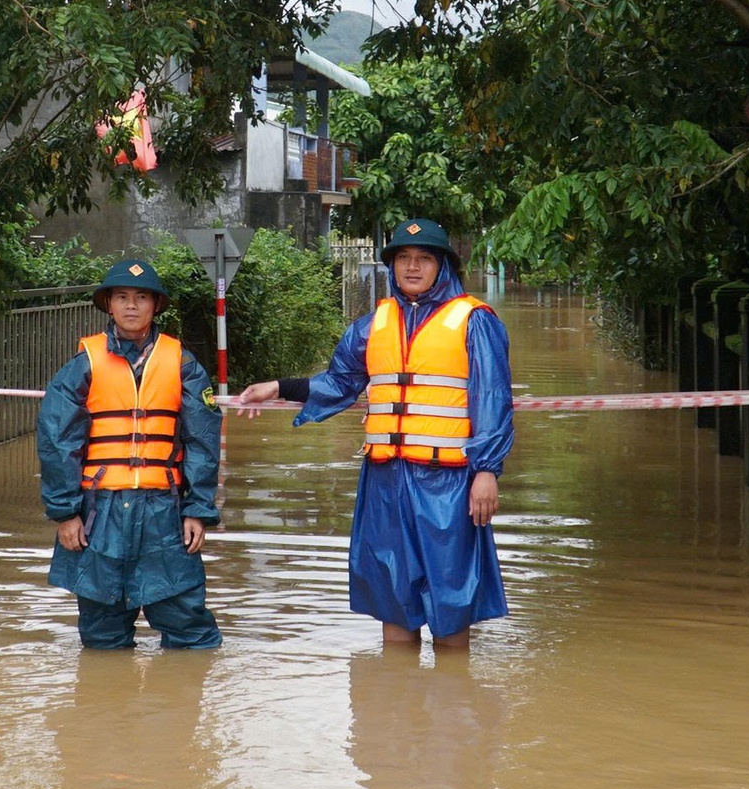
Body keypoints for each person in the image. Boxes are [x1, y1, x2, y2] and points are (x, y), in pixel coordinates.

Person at [237, 218, 514, 649]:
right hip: (385, 482)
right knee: (393, 597)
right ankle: (395, 706)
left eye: (424, 259)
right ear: (392, 266)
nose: (413, 267)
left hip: (450, 482)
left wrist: (487, 471)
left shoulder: (474, 321)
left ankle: (454, 705)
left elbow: (493, 399)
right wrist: (279, 386)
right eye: (403, 258)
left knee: (451, 601)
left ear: (443, 266)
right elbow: (339, 382)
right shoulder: (372, 325)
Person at [37, 258, 224, 649]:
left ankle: (181, 706)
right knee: (101, 631)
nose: (131, 306)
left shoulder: (184, 365)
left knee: (188, 625)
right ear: (109, 304)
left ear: (156, 305)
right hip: (97, 512)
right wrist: (66, 513)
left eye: (141, 297)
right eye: (121, 297)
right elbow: (57, 441)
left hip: (164, 512)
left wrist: (197, 511)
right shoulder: (82, 366)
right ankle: (106, 708)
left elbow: (203, 441)